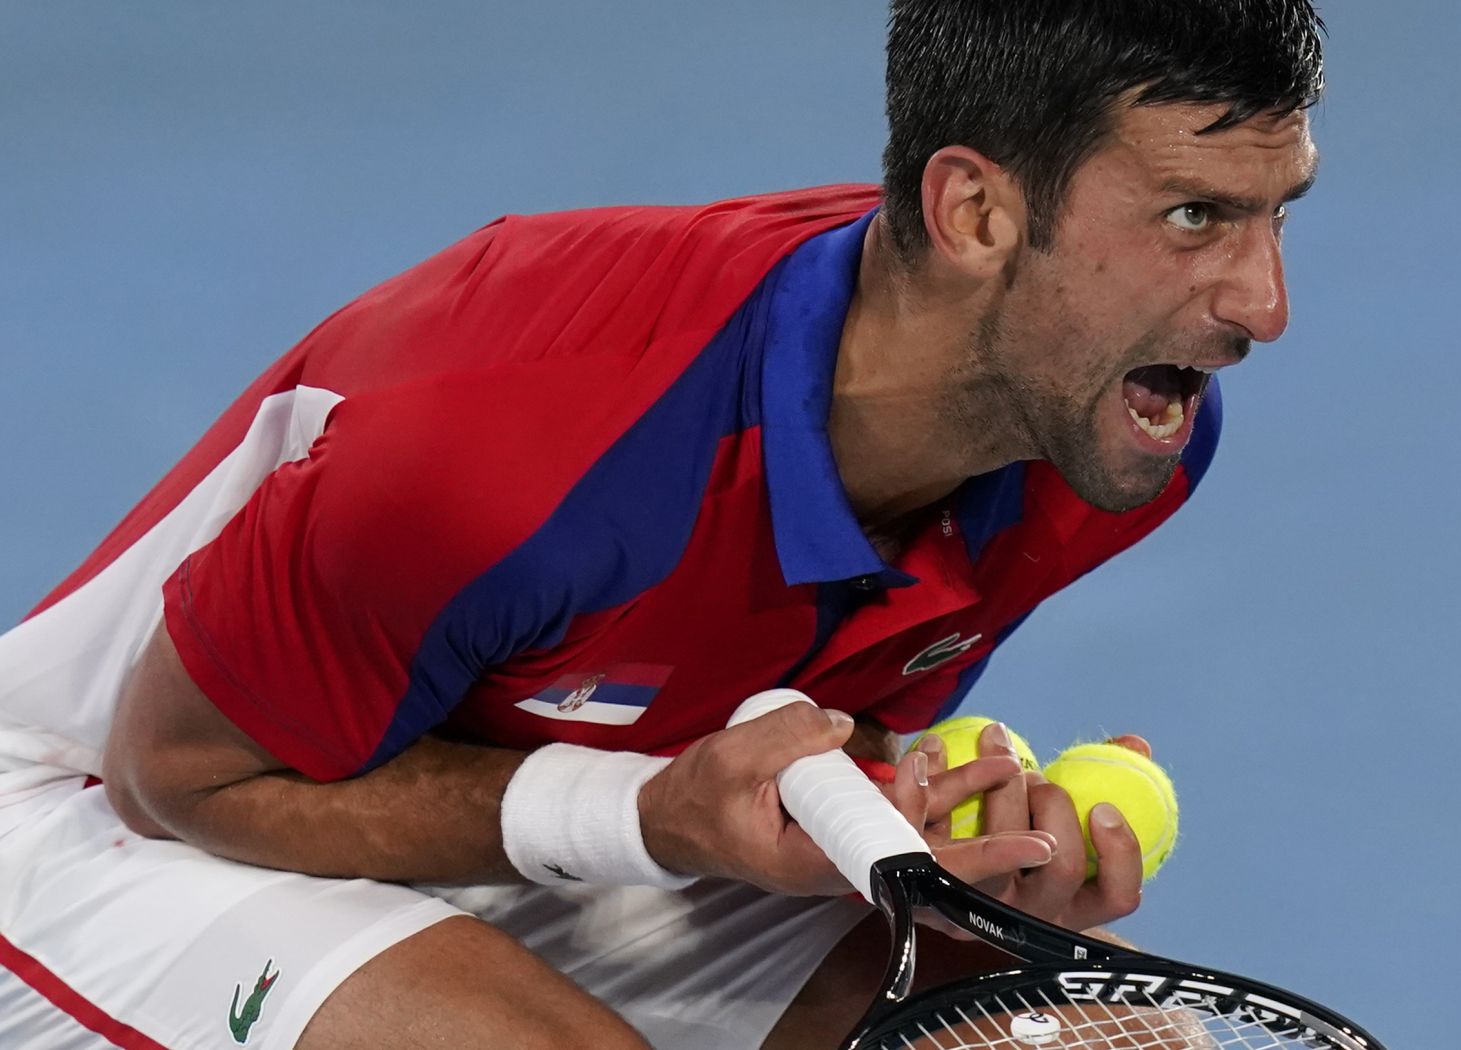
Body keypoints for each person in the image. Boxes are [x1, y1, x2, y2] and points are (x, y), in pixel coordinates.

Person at [0, 1, 1323, 1047]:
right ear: (974, 212)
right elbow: (178, 775)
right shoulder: (508, 439)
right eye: (1193, 216)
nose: (1264, 306)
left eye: (1277, 215)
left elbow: (753, 711)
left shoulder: (1111, 428)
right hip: (103, 821)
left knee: (1086, 1045)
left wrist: (924, 824)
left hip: (529, 826)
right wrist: (649, 815)